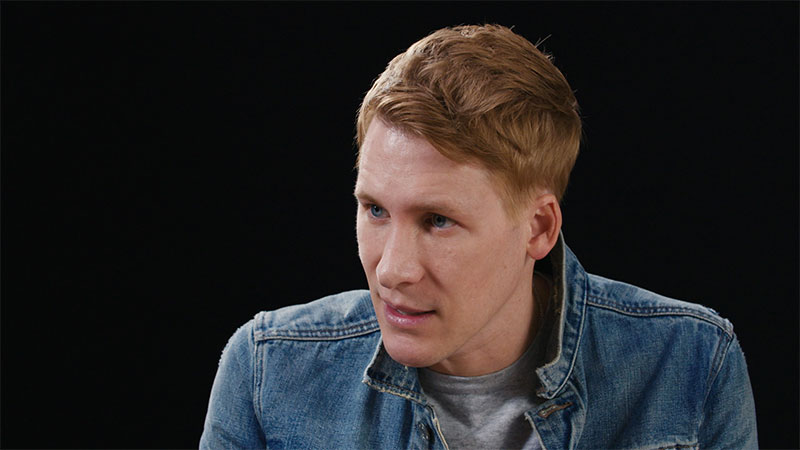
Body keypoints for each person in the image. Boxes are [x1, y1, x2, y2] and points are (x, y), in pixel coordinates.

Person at [200, 24, 757, 449]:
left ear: (538, 228)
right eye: (375, 209)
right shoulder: (267, 372)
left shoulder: (692, 364)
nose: (392, 270)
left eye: (437, 221)